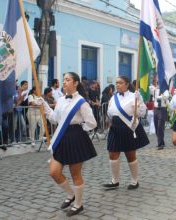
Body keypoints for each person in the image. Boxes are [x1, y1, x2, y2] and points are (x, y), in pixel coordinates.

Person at [40, 72, 97, 217]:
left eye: (68, 80)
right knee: (54, 172)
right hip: (61, 138)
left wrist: (79, 130)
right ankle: (71, 194)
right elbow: (54, 119)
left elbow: (92, 122)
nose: (64, 82)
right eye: (63, 80)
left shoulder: (81, 101)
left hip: (76, 138)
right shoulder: (60, 100)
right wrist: (45, 106)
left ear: (75, 83)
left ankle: (78, 204)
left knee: (75, 173)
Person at [102, 76, 149, 190]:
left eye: (120, 83)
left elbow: (142, 114)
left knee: (130, 155)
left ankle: (134, 181)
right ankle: (114, 181)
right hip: (115, 129)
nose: (117, 85)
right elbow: (109, 112)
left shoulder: (134, 96)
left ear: (127, 84)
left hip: (128, 128)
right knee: (112, 154)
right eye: (116, 83)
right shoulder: (113, 98)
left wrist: (140, 100)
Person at [149, 78, 169, 150]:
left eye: (160, 83)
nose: (158, 85)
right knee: (156, 127)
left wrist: (160, 96)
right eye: (158, 83)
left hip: (162, 109)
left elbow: (166, 97)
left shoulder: (165, 91)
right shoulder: (155, 90)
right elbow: (149, 89)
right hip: (156, 109)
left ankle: (160, 144)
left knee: (160, 126)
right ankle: (161, 142)